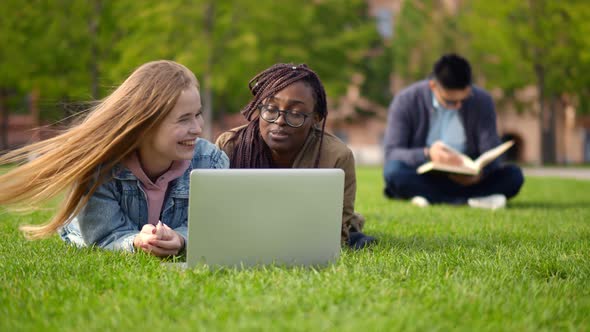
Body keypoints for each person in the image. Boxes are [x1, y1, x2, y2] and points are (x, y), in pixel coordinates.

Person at [0, 60, 229, 256]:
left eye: (198, 114)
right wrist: (137, 243)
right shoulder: (99, 167)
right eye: (184, 119)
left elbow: (215, 226)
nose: (197, 128)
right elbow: (103, 236)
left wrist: (180, 239)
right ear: (146, 125)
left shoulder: (211, 162)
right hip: (89, 232)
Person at [215, 63, 375, 249]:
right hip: (244, 228)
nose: (280, 120)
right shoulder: (230, 145)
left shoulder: (336, 156)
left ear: (316, 117)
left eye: (296, 113)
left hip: (308, 228)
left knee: (351, 234)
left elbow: (335, 234)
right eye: (271, 109)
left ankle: (356, 225)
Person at [383, 53, 524, 208]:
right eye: (450, 101)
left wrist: (479, 173)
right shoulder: (406, 100)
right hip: (426, 176)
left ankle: (430, 197)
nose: (458, 106)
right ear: (433, 86)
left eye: (462, 100)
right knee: (393, 172)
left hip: (469, 179)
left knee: (514, 176)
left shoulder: (482, 100)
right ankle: (471, 200)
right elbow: (392, 152)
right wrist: (428, 154)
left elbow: (490, 151)